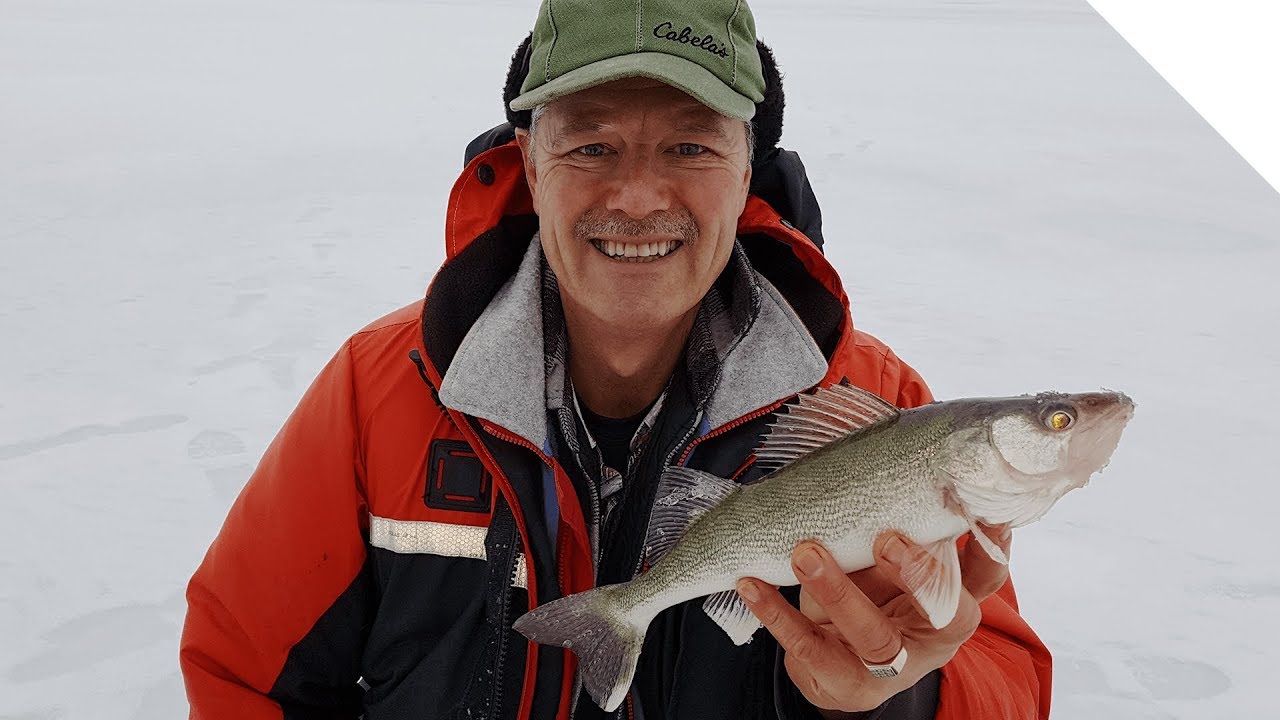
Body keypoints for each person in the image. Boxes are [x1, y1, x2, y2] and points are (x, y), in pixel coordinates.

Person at [180, 0, 1051, 718]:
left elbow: (1006, 685)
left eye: (691, 146)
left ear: (749, 165)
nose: (637, 196)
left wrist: (896, 698)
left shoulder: (878, 407)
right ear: (528, 156)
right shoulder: (379, 393)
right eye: (590, 145)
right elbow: (242, 674)